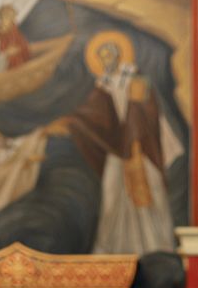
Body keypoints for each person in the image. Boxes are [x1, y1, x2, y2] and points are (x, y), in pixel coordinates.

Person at [45, 31, 182, 255]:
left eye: (109, 55)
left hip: (139, 148)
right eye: (102, 57)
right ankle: (111, 251)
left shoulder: (136, 79)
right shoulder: (103, 86)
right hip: (117, 150)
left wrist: (134, 133)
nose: (106, 60)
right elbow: (91, 114)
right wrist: (70, 121)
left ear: (119, 56)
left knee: (151, 197)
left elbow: (149, 113)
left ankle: (157, 248)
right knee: (111, 197)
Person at [0, 4, 31, 75]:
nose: (10, 20)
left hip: (12, 62)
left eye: (12, 18)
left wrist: (16, 50)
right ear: (0, 19)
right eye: (6, 17)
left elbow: (24, 47)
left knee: (14, 59)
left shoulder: (14, 32)